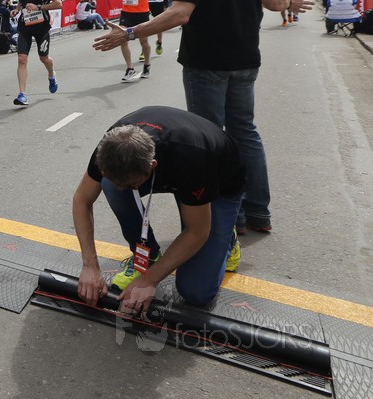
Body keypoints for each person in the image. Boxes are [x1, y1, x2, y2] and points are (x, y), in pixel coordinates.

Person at [93, 0, 313, 234]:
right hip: (245, 61)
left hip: (206, 64)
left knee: (210, 139)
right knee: (246, 134)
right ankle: (258, 212)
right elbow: (273, 2)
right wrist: (290, 2)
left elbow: (180, 13)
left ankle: (231, 217)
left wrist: (130, 32)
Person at [71, 105, 244, 315]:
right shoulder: (111, 147)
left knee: (196, 293)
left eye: (131, 184)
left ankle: (228, 237)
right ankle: (149, 256)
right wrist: (89, 265)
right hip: (176, 169)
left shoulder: (191, 158)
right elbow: (82, 200)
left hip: (218, 181)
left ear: (152, 166)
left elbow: (197, 231)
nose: (124, 188)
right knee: (110, 185)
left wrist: (149, 280)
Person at [12, 0, 60, 106]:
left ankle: (51, 75)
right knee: (22, 59)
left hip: (41, 28)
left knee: (44, 58)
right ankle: (22, 94)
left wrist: (38, 7)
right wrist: (17, 10)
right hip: (25, 27)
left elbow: (59, 3)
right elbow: (22, 2)